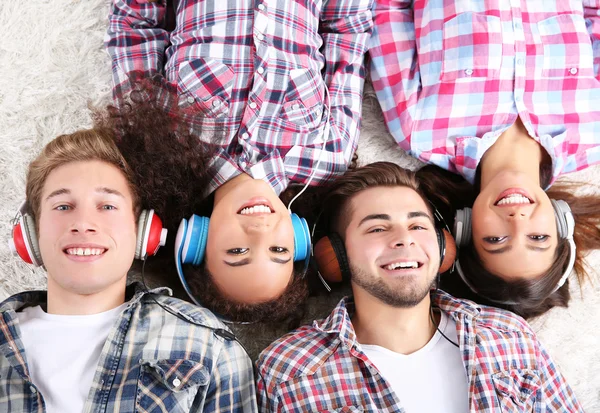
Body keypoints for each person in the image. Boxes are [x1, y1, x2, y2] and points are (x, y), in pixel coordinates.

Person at [104, 0, 374, 321]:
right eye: (279, 251)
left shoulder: (154, 142)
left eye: (237, 252)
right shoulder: (330, 154)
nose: (261, 231)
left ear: (198, 241)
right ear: (299, 239)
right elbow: (348, 36)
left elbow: (134, 29)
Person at [257, 162, 582, 412]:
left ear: (444, 247)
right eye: (376, 228)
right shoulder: (288, 368)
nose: (404, 238)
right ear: (336, 257)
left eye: (417, 224)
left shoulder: (510, 336)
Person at [1, 126, 257, 412]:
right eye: (62, 206)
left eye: (107, 206)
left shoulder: (208, 346)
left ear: (143, 232)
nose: (84, 223)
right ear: (30, 235)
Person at [368, 1, 600, 316]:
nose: (517, 222)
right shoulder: (593, 129)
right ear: (562, 222)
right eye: (538, 237)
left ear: (464, 227)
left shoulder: (419, 130)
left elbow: (388, 11)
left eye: (495, 239)